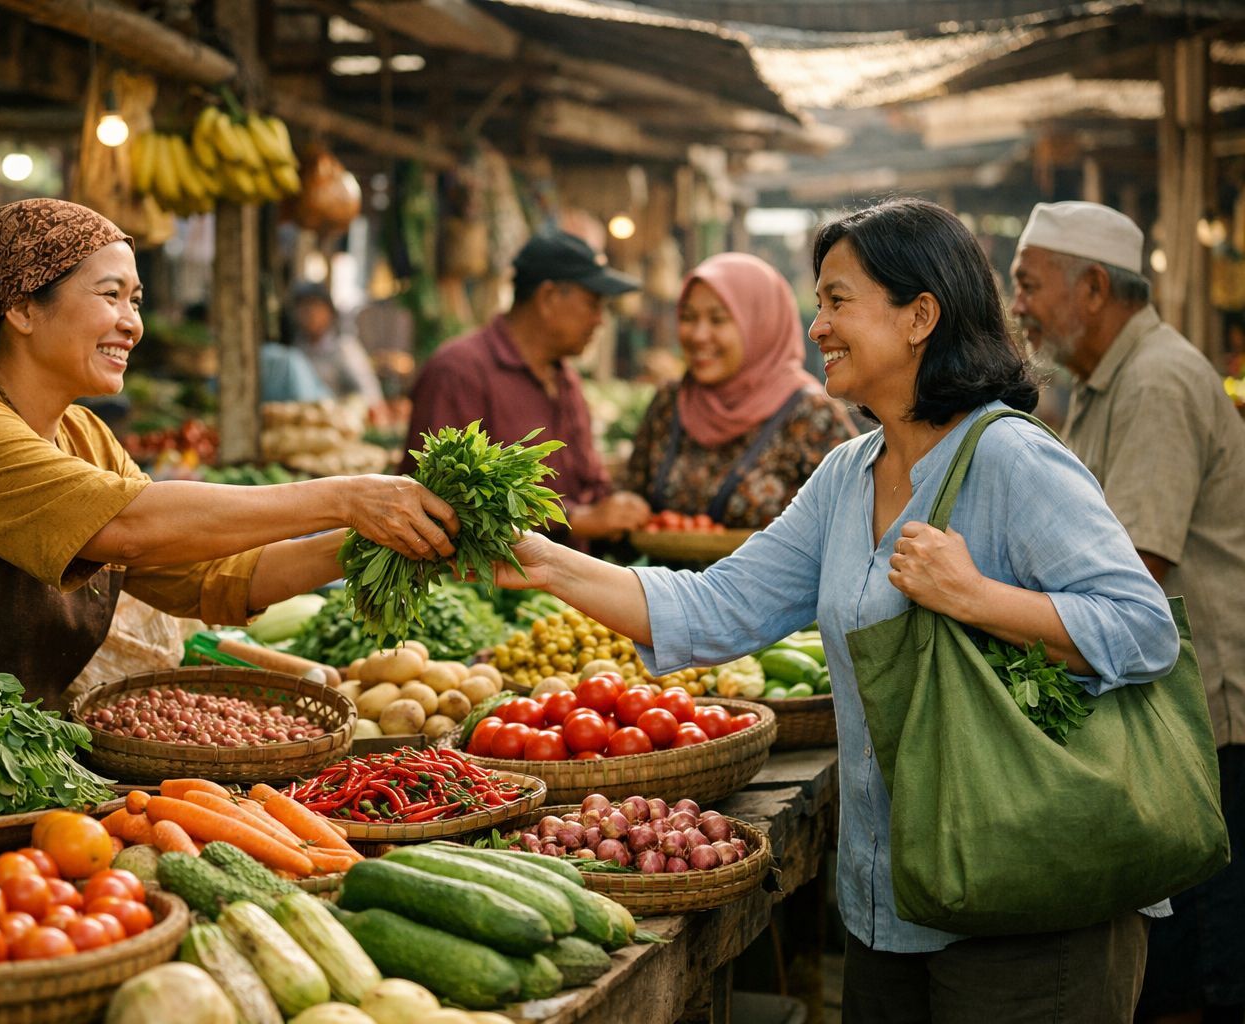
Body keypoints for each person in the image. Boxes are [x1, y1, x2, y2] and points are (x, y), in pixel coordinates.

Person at [488, 197, 1177, 1020]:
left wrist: (978, 597)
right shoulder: (848, 474)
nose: (818, 327)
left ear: (921, 315)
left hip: (1027, 906)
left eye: (838, 300)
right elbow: (715, 606)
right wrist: (538, 557)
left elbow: (1143, 628)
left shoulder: (1012, 457)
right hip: (893, 904)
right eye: (819, 303)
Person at [0, 199, 456, 710]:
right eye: (110, 295)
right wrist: (345, 493)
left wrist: (369, 539)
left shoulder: (83, 434)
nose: (133, 322)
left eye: (137, 299)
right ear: (22, 310)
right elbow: (123, 527)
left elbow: (209, 579)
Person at [1011, 200, 1245, 1024]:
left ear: (1095, 288)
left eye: (1030, 285)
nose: (1019, 307)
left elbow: (1135, 573)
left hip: (1209, 716)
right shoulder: (1104, 381)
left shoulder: (1156, 381)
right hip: (1174, 705)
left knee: (1204, 959)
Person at [400, 229, 651, 548]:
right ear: (547, 298)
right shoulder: (459, 371)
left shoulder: (565, 378)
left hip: (563, 587)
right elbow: (440, 500)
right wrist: (577, 520)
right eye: (591, 304)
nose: (599, 321)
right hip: (485, 588)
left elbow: (589, 480)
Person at [623, 253, 856, 528]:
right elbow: (632, 496)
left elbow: (848, 528)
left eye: (718, 320)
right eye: (688, 317)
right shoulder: (670, 402)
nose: (698, 335)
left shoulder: (812, 416)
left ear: (760, 325)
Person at [288, 281, 383, 404]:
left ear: (329, 312)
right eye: (304, 308)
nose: (310, 314)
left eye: (316, 307)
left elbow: (370, 393)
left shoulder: (344, 348)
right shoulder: (295, 351)